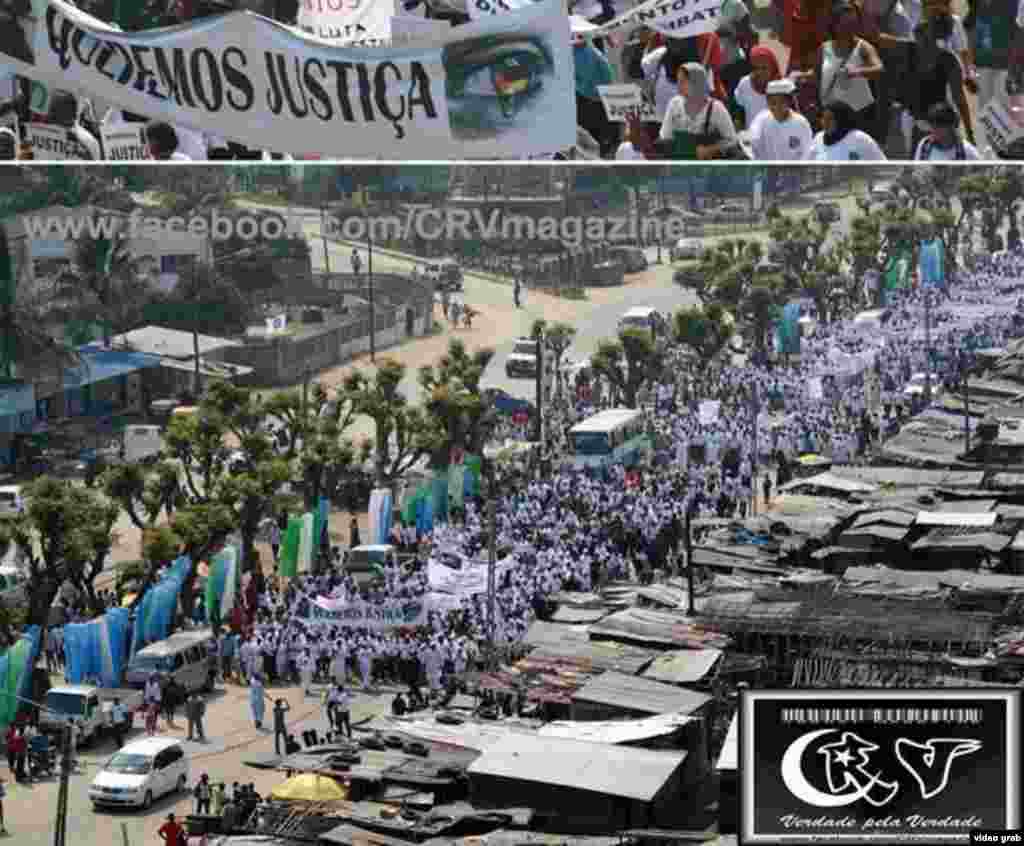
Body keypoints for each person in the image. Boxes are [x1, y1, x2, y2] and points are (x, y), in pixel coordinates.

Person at [793, 2, 884, 137]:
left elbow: (879, 69)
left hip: (858, 114)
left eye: (853, 23)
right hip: (832, 115)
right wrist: (803, 76)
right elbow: (818, 74)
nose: (849, 28)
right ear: (834, 25)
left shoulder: (863, 46)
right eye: (845, 23)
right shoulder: (824, 49)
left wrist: (855, 72)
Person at [649, 63, 739, 160]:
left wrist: (710, 149)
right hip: (680, 165)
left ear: (697, 82)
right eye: (678, 81)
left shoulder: (716, 108)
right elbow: (665, 136)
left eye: (683, 81)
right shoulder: (674, 104)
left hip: (707, 169)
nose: (678, 85)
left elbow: (732, 140)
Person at [573, 32, 616, 157]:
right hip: (591, 95)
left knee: (593, 134)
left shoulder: (586, 53)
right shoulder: (578, 50)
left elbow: (584, 81)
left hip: (596, 98)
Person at [748, 78, 813, 160]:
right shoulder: (761, 119)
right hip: (768, 170)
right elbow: (752, 141)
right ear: (768, 102)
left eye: (782, 102)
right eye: (773, 103)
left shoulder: (801, 123)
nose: (777, 107)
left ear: (789, 102)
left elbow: (807, 153)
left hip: (793, 171)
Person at [804, 100, 887, 160]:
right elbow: (807, 166)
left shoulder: (860, 139)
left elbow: (882, 166)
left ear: (841, 120)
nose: (825, 122)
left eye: (830, 119)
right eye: (823, 118)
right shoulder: (818, 138)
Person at [732, 45, 782, 129]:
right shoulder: (745, 83)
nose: (759, 72)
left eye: (764, 68)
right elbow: (739, 111)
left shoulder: (781, 86)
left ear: (772, 67)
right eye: (755, 68)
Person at [913, 101, 980, 159]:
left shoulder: (967, 151)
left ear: (951, 126)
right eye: (932, 126)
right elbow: (917, 170)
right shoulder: (924, 145)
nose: (934, 130)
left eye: (939, 126)